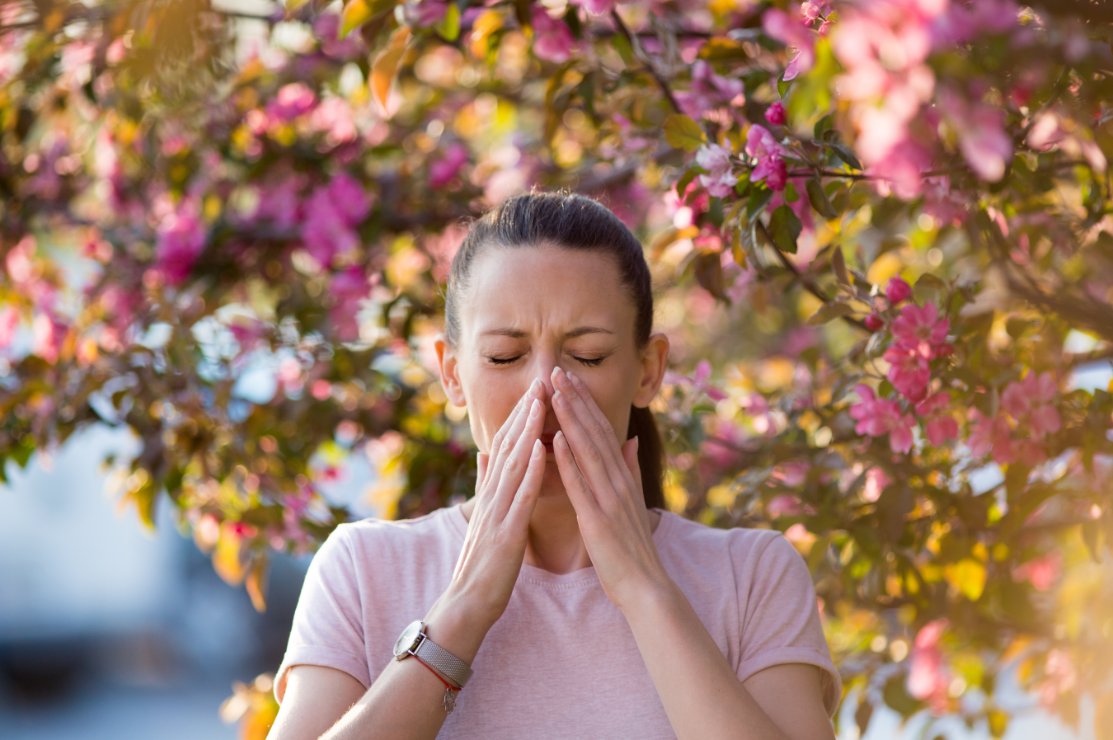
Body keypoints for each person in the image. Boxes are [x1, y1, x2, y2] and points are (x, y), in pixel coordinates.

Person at [268, 192, 840, 739]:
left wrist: (644, 589)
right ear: (452, 374)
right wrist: (464, 608)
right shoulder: (363, 570)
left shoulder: (751, 575)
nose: (543, 387)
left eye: (588, 356)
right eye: (504, 357)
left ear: (647, 370)